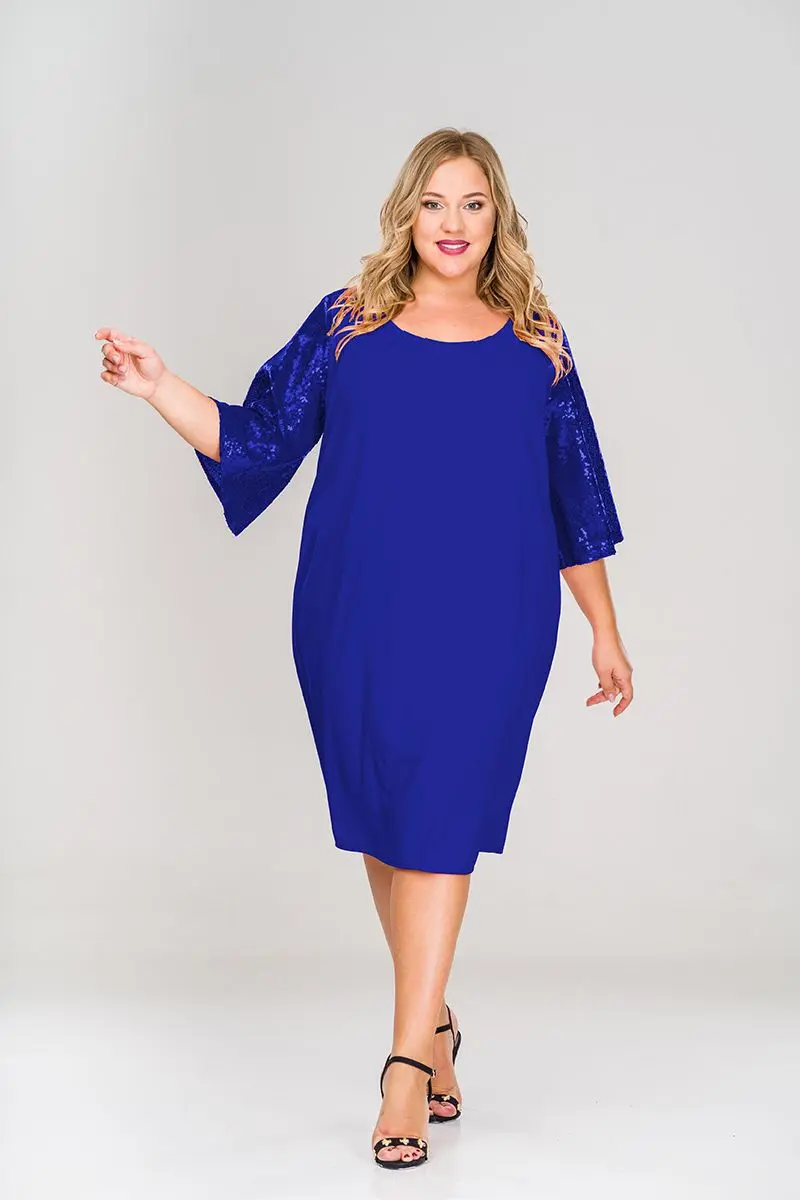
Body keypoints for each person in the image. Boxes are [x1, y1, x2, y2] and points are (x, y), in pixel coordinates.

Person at [94, 126, 634, 1170]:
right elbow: (258, 439)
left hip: (492, 620)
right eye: (433, 202)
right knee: (388, 827)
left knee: (440, 822)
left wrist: (604, 631)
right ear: (406, 213)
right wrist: (159, 386)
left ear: (498, 216)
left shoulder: (537, 341)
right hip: (356, 612)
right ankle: (435, 1020)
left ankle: (402, 1067)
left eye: (472, 203)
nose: (451, 223)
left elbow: (577, 498)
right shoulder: (349, 324)